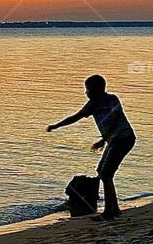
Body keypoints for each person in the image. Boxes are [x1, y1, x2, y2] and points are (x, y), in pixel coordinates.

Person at [46, 74, 136, 220]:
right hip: (113, 141)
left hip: (124, 139)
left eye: (88, 90)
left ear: (98, 89)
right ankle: (115, 209)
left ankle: (108, 212)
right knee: (102, 171)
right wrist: (56, 126)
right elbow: (75, 117)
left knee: (106, 174)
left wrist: (103, 140)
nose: (86, 93)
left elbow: (116, 118)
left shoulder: (112, 99)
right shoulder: (92, 105)